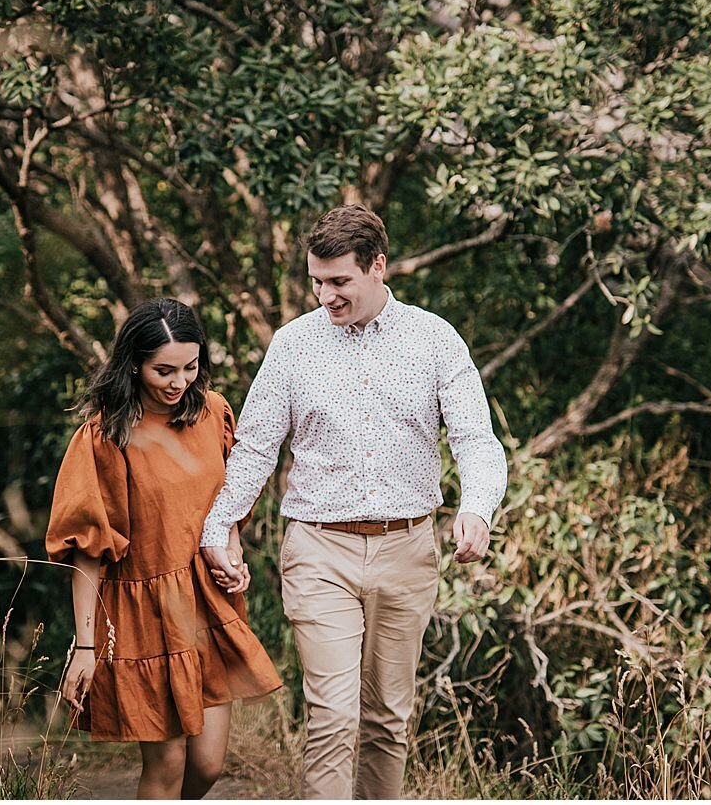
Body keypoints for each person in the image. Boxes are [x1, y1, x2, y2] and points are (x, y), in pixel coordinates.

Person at [200, 204, 508, 800]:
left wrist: (477, 505)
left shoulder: (433, 338)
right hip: (319, 548)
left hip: (408, 547)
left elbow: (474, 436)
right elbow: (256, 447)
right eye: (317, 281)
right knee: (333, 716)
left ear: (377, 267)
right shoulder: (294, 345)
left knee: (388, 720)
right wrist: (221, 524)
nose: (325, 296)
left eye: (339, 281)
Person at [46, 298, 283, 799]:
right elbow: (89, 551)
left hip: (207, 604)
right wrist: (85, 648)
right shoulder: (104, 436)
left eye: (191, 367)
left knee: (209, 765)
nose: (179, 382)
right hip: (143, 614)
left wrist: (230, 554)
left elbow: (228, 500)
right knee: (168, 764)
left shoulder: (212, 411)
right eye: (164, 370)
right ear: (134, 363)